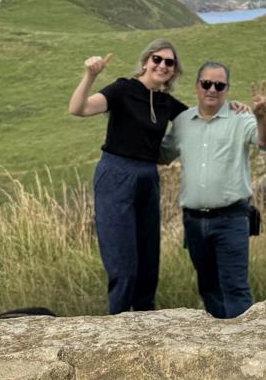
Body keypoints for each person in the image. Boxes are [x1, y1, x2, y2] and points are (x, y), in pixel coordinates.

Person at [68, 39, 188, 314]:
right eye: (157, 59)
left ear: (174, 71)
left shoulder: (166, 103)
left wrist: (235, 109)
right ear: (146, 60)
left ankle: (145, 326)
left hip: (148, 178)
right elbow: (79, 108)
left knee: (148, 264)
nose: (162, 65)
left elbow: (201, 117)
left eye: (169, 63)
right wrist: (90, 75)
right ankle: (118, 326)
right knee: (123, 266)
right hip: (116, 173)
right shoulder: (123, 89)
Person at [161, 62, 266, 319]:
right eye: (206, 84)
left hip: (231, 219)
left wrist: (261, 116)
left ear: (227, 89)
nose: (212, 89)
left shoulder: (241, 118)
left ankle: (243, 348)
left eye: (219, 85)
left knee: (235, 288)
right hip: (193, 221)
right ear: (197, 86)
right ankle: (220, 348)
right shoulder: (182, 122)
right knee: (209, 288)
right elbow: (161, 154)